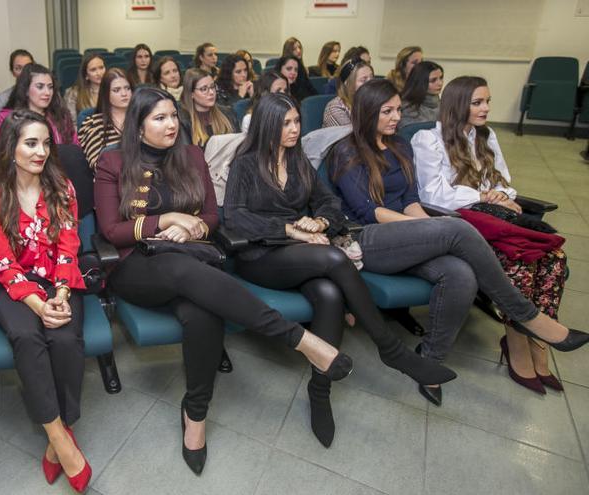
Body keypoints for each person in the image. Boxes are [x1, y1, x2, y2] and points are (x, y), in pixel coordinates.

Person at [94, 86, 354, 475]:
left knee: (203, 313)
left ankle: (195, 414)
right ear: (138, 125)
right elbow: (112, 230)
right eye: (158, 118)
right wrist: (166, 220)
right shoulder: (112, 162)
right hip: (138, 267)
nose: (170, 125)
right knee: (184, 273)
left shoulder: (192, 155)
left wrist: (194, 225)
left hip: (192, 259)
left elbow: (214, 218)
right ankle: (298, 338)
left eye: (172, 117)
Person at [328, 79, 589, 405]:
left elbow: (411, 200)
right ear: (367, 113)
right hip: (366, 239)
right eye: (388, 111)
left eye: (397, 109)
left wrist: (425, 232)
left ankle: (430, 360)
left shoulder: (399, 146)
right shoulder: (346, 152)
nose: (397, 117)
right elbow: (371, 210)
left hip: (404, 234)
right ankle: (526, 315)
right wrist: (428, 231)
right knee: (455, 228)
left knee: (461, 275)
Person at [224, 93, 457, 447]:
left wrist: (318, 221)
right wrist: (290, 230)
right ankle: (391, 349)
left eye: (297, 121)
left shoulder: (298, 158)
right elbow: (236, 218)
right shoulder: (246, 164)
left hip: (302, 250)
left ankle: (320, 391)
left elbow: (329, 202)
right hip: (260, 255)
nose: (294, 129)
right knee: (335, 259)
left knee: (330, 295)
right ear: (267, 126)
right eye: (285, 123)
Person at [412, 76, 572, 394]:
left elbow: (502, 180)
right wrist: (482, 196)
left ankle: (537, 339)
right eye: (478, 102)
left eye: (487, 101)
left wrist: (499, 194)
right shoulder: (428, 139)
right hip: (461, 223)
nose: (486, 108)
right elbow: (432, 194)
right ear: (459, 105)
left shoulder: (487, 136)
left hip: (493, 216)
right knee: (519, 263)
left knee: (555, 258)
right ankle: (516, 344)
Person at [0, 110, 91, 492]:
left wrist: (60, 294)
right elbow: (5, 266)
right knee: (29, 339)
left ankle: (56, 437)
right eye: (31, 143)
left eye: (46, 143)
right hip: (15, 288)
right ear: (10, 148)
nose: (41, 151)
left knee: (64, 339)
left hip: (59, 280)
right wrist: (38, 306)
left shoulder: (63, 189)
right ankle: (60, 439)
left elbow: (69, 247)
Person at [0, 63, 78, 152]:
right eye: (40, 87)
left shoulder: (61, 116)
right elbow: (0, 154)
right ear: (26, 90)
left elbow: (75, 149)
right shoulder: (8, 118)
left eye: (50, 87)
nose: (47, 92)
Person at [78, 68, 131, 169]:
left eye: (127, 88)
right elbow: (98, 166)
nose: (124, 94)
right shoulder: (93, 125)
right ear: (106, 94)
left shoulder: (143, 120)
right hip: (112, 180)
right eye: (116, 90)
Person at [179, 68, 236, 148]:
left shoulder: (228, 113)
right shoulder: (183, 121)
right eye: (204, 89)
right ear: (191, 93)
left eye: (212, 87)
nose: (211, 92)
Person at [322, 58, 374, 127]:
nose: (371, 83)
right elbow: (351, 137)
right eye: (363, 80)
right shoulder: (335, 108)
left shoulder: (372, 103)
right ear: (347, 83)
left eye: (372, 78)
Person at [399, 61, 444, 128]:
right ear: (420, 82)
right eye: (433, 80)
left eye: (441, 78)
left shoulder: (443, 104)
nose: (440, 83)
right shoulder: (407, 108)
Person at [64, 54, 106, 122]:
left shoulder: (113, 90)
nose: (99, 73)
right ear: (86, 75)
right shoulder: (74, 93)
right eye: (93, 70)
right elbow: (71, 123)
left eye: (101, 67)